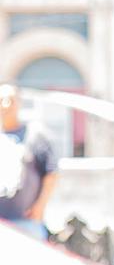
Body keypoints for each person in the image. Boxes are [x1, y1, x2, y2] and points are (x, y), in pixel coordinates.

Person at [0, 84, 59, 240]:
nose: (5, 105)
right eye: (1, 100)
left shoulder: (35, 135)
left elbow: (51, 173)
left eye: (10, 100)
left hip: (26, 223)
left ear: (19, 103)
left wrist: (39, 207)